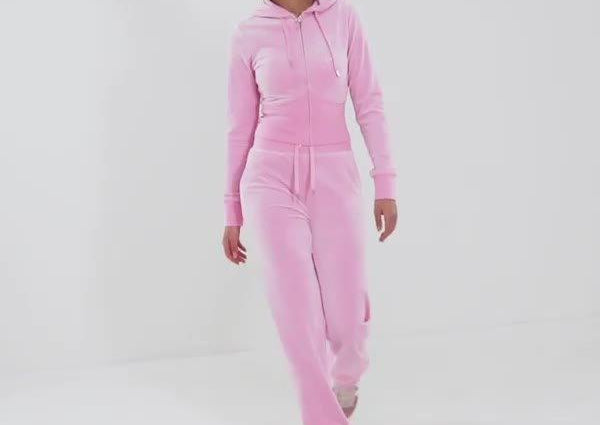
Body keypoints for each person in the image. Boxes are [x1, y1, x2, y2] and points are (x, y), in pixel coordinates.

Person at [221, 0, 397, 423]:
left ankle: (347, 373)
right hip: (270, 178)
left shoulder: (344, 18)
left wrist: (385, 181)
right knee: (297, 314)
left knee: (346, 320)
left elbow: (369, 102)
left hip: (335, 176)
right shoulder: (249, 33)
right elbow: (239, 127)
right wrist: (232, 210)